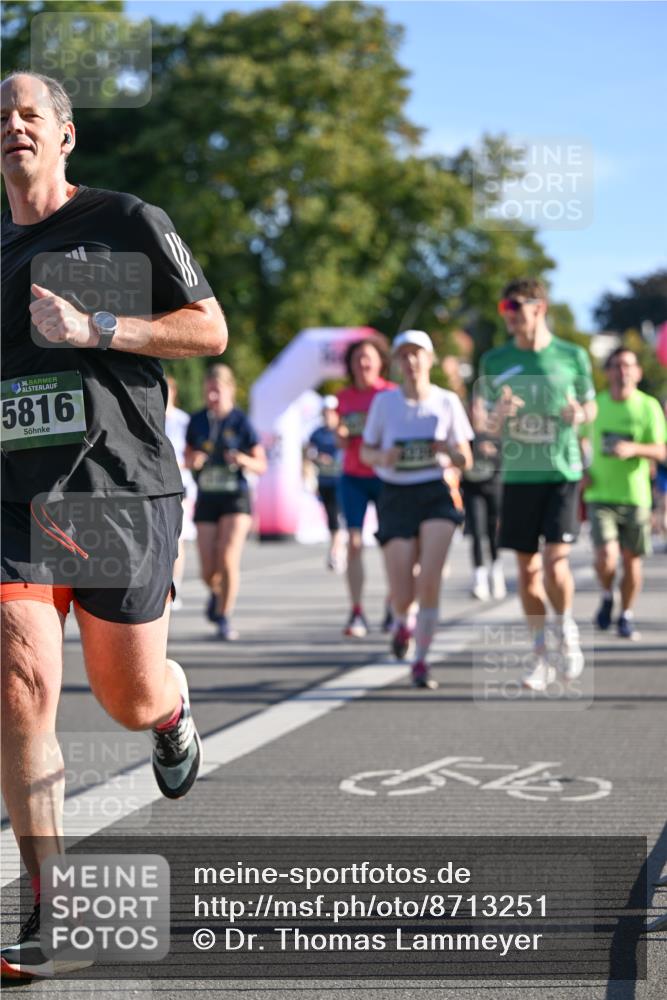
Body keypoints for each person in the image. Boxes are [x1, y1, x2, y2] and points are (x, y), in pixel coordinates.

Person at [0, 72, 227, 979]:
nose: (13, 126)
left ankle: (169, 712)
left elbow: (206, 331)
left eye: (29, 114)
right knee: (18, 686)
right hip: (16, 499)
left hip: (119, 493)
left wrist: (97, 325)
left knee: (126, 695)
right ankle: (49, 906)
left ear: (65, 135)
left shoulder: (126, 220)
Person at [478, 278, 596, 692]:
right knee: (526, 572)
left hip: (561, 472)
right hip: (519, 475)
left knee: (554, 560)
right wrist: (501, 413)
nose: (508, 314)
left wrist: (579, 413)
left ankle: (565, 628)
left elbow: (591, 405)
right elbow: (486, 426)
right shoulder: (495, 360)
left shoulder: (572, 355)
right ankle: (540, 655)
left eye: (515, 305)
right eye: (503, 307)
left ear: (539, 307)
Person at [361, 330, 473, 689]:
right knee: (403, 592)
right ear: (396, 362)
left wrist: (448, 450)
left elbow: (465, 459)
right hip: (395, 494)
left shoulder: (447, 402)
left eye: (418, 354)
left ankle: (421, 661)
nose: (411, 362)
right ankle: (401, 622)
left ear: (430, 359)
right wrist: (382, 457)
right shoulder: (385, 403)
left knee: (429, 582)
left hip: (436, 493)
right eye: (404, 355)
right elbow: (366, 452)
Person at [583, 347, 667, 639]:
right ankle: (607, 594)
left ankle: (626, 614)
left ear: (638, 372)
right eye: (617, 365)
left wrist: (635, 449)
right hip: (599, 494)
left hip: (635, 495)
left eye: (629, 365)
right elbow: (578, 440)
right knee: (605, 557)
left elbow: (661, 450)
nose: (623, 371)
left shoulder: (648, 407)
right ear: (608, 372)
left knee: (632, 562)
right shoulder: (596, 405)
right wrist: (582, 471)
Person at [185, 364, 266, 641]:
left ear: (230, 390)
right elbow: (186, 457)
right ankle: (217, 594)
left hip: (236, 498)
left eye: (217, 391)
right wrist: (193, 460)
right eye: (209, 391)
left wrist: (243, 460)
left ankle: (224, 616)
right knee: (208, 569)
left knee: (228, 557)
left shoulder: (241, 423)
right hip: (208, 496)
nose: (213, 397)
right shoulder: (197, 421)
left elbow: (261, 464)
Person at [336, 336, 395, 637]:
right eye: (357, 359)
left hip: (386, 477)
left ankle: (393, 602)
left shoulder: (391, 394)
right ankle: (356, 611)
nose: (362, 364)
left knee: (391, 544)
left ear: (380, 362)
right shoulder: (343, 397)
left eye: (368, 358)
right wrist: (340, 432)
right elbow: (340, 441)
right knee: (354, 543)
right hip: (353, 477)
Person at [461, 394, 505, 600]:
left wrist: (492, 453)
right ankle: (479, 578)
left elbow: (508, 459)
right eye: (473, 408)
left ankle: (496, 572)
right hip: (472, 489)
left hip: (493, 488)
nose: (475, 412)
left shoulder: (495, 433)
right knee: (477, 532)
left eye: (479, 408)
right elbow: (457, 458)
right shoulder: (464, 434)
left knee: (493, 531)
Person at [165, 375, 196, 610]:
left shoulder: (183, 421)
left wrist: (175, 463)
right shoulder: (146, 417)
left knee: (177, 539)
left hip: (180, 486)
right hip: (156, 485)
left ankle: (175, 585)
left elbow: (192, 456)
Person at [306, 395, 345, 571]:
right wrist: (317, 458)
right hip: (324, 481)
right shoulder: (317, 433)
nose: (328, 415)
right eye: (326, 412)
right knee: (331, 517)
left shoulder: (343, 431)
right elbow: (309, 453)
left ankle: (336, 551)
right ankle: (337, 548)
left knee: (338, 516)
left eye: (331, 412)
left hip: (342, 481)